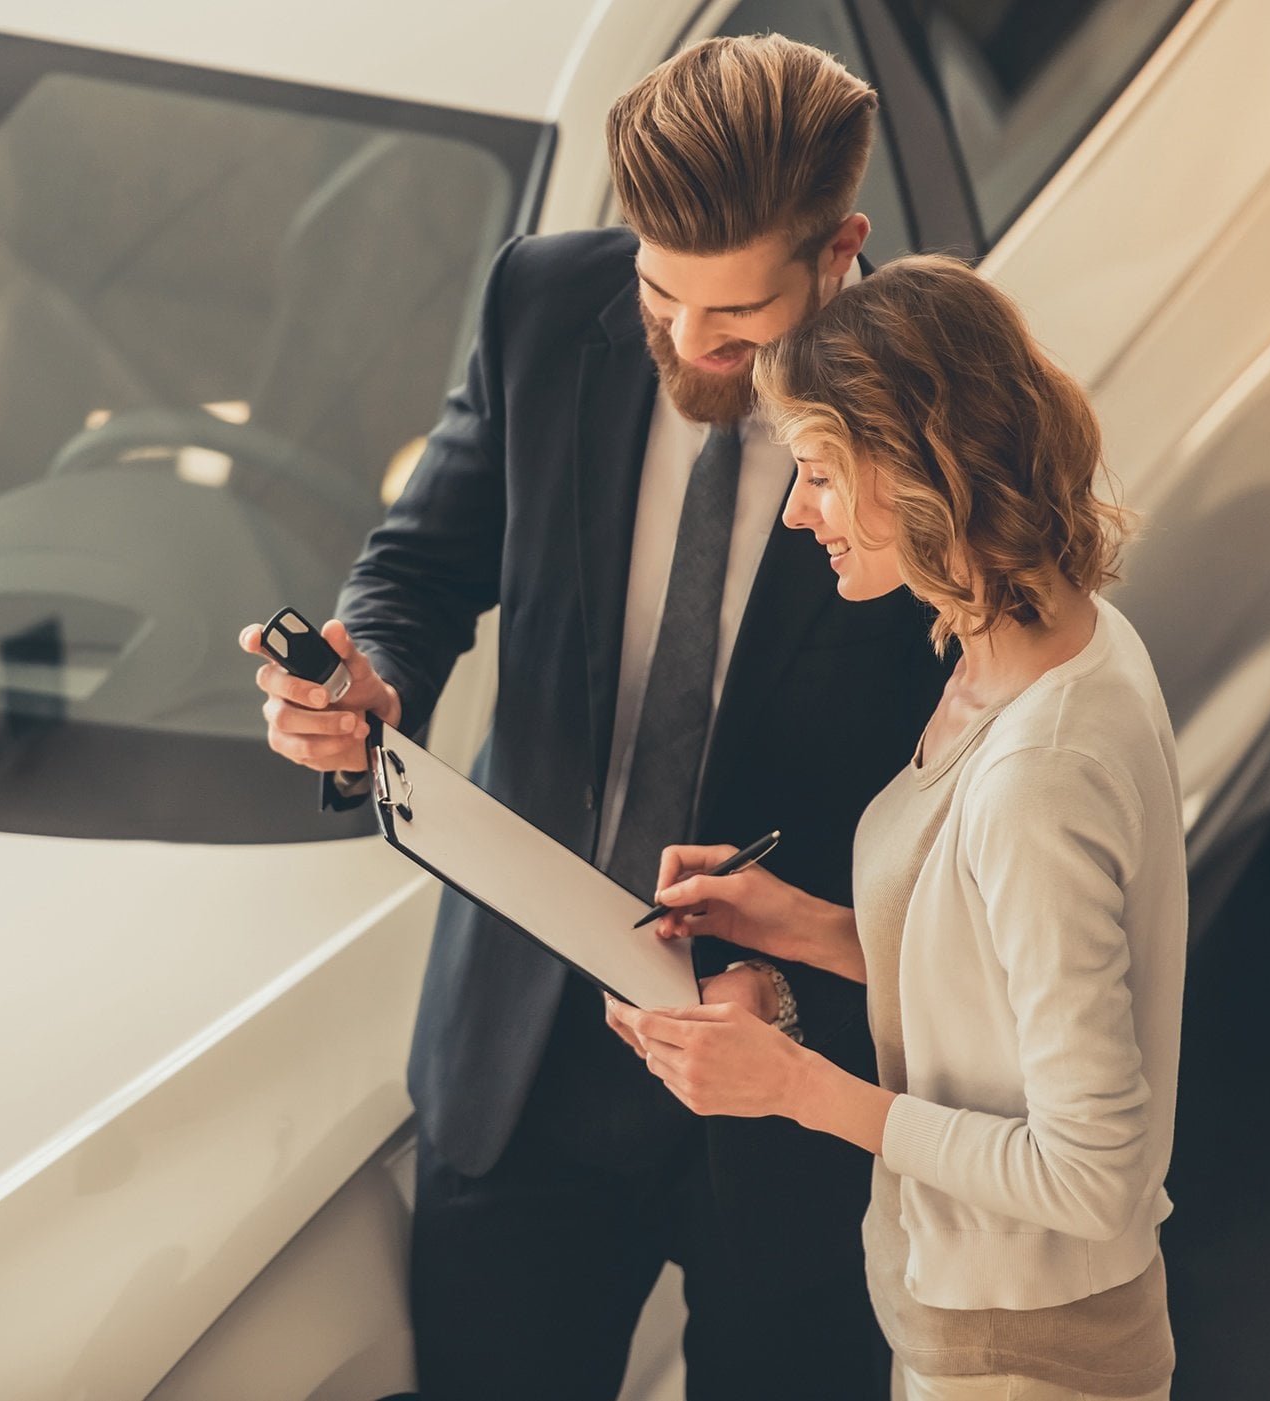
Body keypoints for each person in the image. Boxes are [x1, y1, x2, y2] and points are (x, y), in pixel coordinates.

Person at [240, 34, 951, 1400]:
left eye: (736, 318)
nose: (686, 347)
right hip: (525, 1047)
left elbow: (976, 805)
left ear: (840, 251)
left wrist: (798, 991)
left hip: (802, 1086)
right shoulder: (543, 299)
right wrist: (370, 675)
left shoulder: (942, 405)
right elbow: (419, 568)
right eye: (658, 294)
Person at [609, 255, 1183, 1400]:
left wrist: (794, 1086)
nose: (795, 509)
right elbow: (991, 974)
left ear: (915, 469)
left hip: (1026, 1356)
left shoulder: (1040, 773)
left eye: (820, 472)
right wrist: (797, 925)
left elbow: (1092, 1174)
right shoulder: (1034, 640)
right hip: (976, 1320)